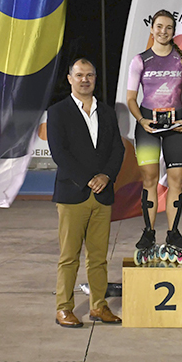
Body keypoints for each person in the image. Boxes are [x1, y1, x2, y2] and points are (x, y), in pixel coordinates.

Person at [47, 58, 125, 328]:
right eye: (79, 75)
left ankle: (99, 306)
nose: (85, 80)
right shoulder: (58, 112)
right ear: (70, 79)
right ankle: (63, 308)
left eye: (89, 75)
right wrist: (87, 179)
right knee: (69, 257)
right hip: (73, 194)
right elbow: (60, 153)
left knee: (99, 258)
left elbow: (117, 149)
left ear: (95, 79)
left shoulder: (107, 112)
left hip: (102, 195)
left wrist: (106, 176)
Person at [127, 9, 182, 265]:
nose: (163, 31)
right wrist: (141, 120)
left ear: (174, 31)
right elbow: (131, 98)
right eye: (159, 26)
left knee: (177, 180)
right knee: (150, 180)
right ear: (152, 29)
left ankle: (173, 233)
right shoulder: (140, 60)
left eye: (168, 27)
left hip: (176, 126)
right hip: (148, 126)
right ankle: (148, 232)